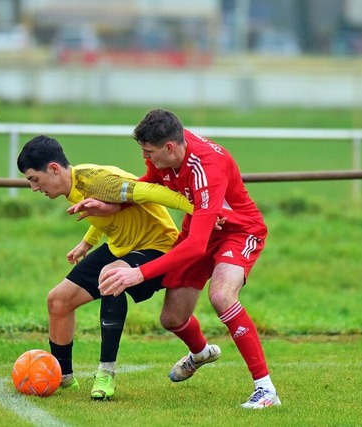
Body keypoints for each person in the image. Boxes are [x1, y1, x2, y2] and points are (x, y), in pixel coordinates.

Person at [97, 109, 281, 409]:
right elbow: (148, 187)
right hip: (200, 230)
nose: (147, 158)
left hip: (239, 231)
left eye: (150, 153)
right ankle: (201, 354)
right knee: (172, 319)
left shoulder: (207, 166)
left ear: (170, 148)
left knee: (221, 296)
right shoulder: (162, 157)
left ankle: (266, 390)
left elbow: (195, 247)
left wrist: (139, 273)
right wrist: (109, 206)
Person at [16, 134, 194, 401]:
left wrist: (200, 210)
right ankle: (61, 376)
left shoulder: (98, 181)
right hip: (123, 245)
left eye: (34, 179)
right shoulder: (74, 186)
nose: (33, 188)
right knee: (58, 300)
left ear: (53, 169)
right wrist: (86, 243)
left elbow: (149, 191)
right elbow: (108, 215)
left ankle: (106, 373)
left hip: (158, 246)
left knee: (111, 276)